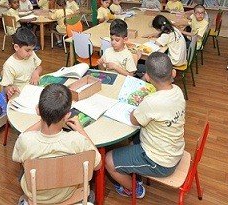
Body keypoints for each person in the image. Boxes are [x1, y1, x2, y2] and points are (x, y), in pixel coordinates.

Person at [105, 52, 186, 199]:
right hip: (175, 149)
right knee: (135, 137)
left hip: (160, 162)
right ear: (173, 73)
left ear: (147, 77)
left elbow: (133, 120)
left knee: (108, 161)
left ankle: (135, 190)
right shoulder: (178, 91)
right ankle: (134, 169)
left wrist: (138, 107)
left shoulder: (151, 102)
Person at [12, 84, 101, 205]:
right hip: (68, 196)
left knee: (23, 168)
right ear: (67, 115)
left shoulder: (24, 140)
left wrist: (43, 118)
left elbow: (19, 149)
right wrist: (81, 130)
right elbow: (98, 165)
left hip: (37, 198)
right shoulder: (77, 140)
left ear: (37, 110)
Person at [1, 27, 43, 99]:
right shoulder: (9, 65)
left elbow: (39, 67)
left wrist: (36, 72)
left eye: (32, 50)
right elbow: (5, 87)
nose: (31, 53)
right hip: (20, 96)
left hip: (34, 90)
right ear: (16, 47)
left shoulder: (31, 54)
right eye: (27, 50)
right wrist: (10, 89)